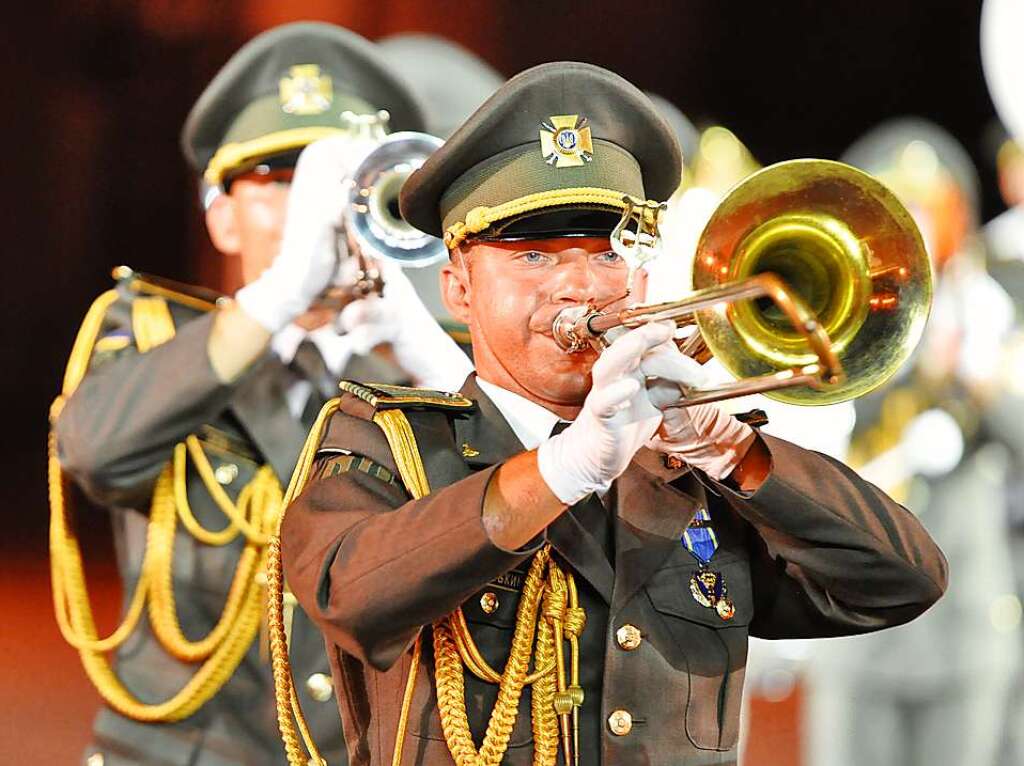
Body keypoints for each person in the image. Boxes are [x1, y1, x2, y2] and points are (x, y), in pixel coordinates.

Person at [279, 61, 947, 766]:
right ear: (458, 290)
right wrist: (563, 468)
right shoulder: (387, 442)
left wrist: (735, 456)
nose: (579, 285)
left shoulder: (687, 474)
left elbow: (902, 582)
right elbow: (349, 594)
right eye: (534, 255)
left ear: (643, 283)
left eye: (606, 254)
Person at [53, 22, 470, 766]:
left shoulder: (436, 368)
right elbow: (94, 452)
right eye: (281, 184)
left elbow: (528, 511)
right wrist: (278, 297)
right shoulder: (150, 334)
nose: (314, 212)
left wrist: (422, 351)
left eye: (341, 188)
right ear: (219, 214)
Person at [804, 119, 1023, 766]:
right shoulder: (832, 321)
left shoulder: (993, 309)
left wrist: (986, 382)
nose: (922, 229)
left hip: (966, 621)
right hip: (857, 622)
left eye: (934, 211)